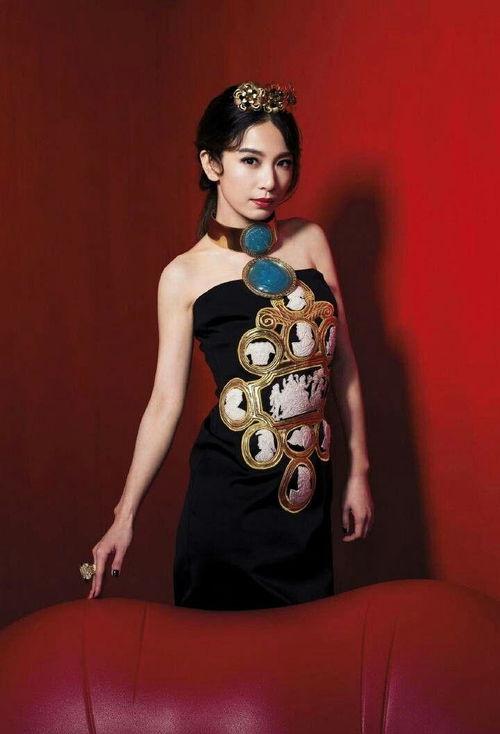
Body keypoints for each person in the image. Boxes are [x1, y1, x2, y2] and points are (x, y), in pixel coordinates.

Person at [82, 81, 374, 609]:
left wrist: (359, 470)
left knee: (308, 653)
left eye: (283, 163)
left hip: (306, 499)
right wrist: (124, 516)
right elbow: (165, 402)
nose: (269, 181)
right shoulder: (184, 275)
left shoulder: (311, 240)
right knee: (223, 654)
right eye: (250, 161)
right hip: (227, 507)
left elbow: (344, 364)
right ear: (212, 163)